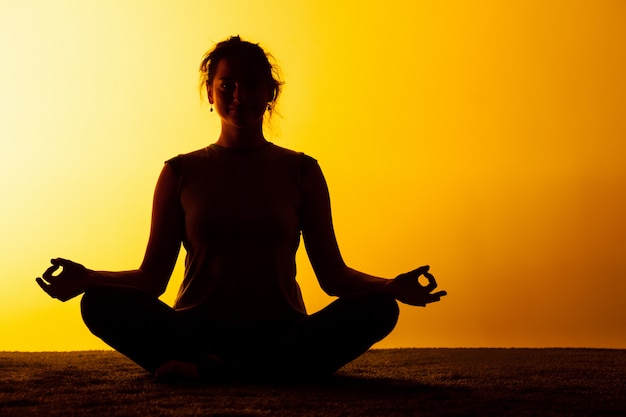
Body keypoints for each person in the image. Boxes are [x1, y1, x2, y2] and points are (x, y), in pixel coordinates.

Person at [36, 36, 446, 382]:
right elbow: (151, 278)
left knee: (378, 309)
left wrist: (389, 286)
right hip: (194, 331)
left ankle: (217, 372)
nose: (239, 96)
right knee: (98, 302)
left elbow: (334, 276)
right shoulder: (180, 172)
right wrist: (89, 277)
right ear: (210, 93)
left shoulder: (302, 171)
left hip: (282, 332)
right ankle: (253, 372)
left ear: (271, 93)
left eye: (251, 84)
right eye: (227, 85)